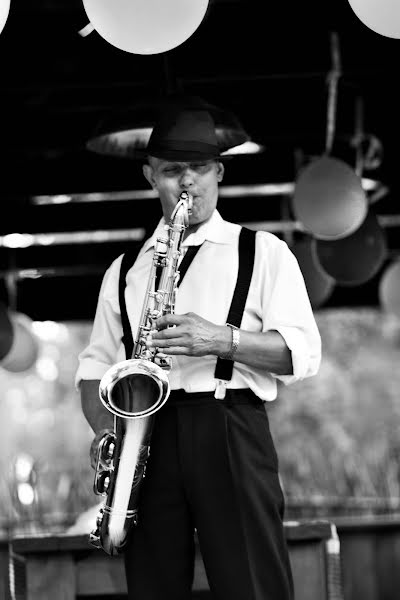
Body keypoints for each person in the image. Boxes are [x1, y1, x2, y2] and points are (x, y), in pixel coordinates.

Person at [76, 95, 321, 600]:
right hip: (146, 438)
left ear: (219, 172)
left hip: (230, 425)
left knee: (253, 583)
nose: (187, 182)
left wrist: (221, 339)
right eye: (172, 171)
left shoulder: (265, 252)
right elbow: (94, 369)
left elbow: (302, 354)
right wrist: (111, 439)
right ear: (150, 176)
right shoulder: (125, 270)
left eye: (199, 168)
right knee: (153, 586)